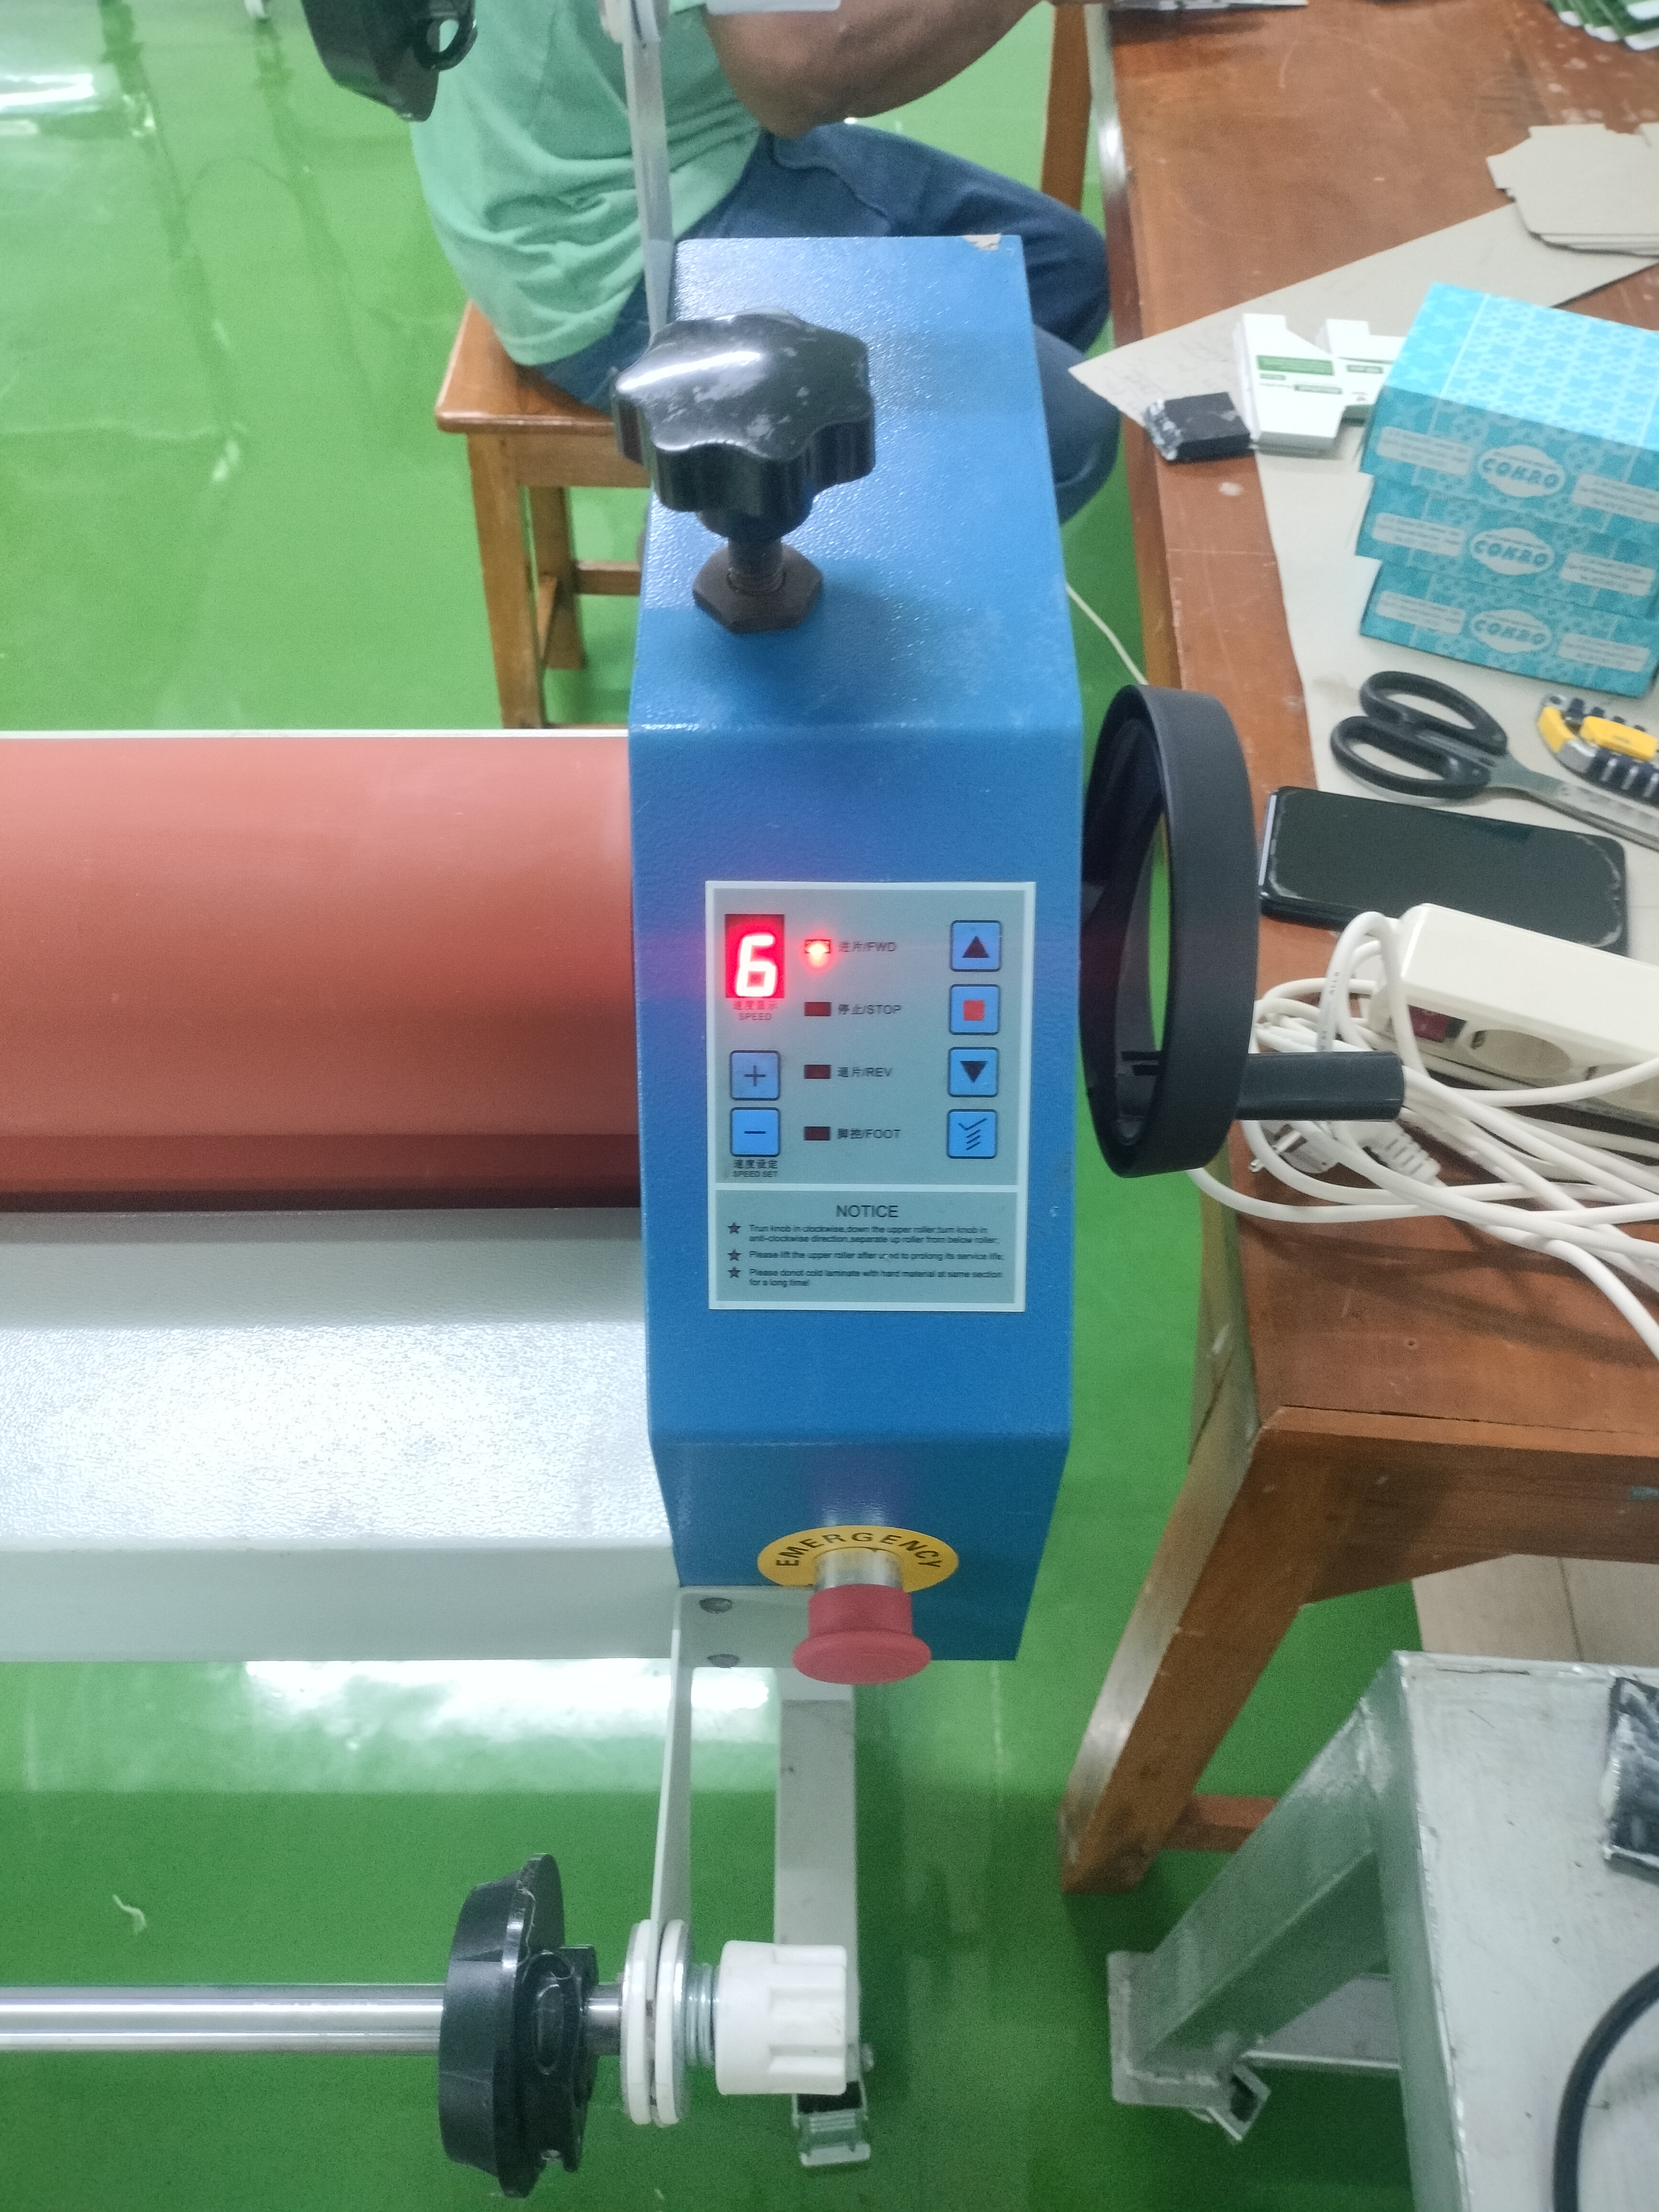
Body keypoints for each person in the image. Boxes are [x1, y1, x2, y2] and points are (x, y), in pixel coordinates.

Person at [412, 0, 1117, 521]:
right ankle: (803, 567)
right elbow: (800, 75)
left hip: (694, 132)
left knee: (1063, 268)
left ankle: (842, 505)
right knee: (1064, 433)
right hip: (597, 240)